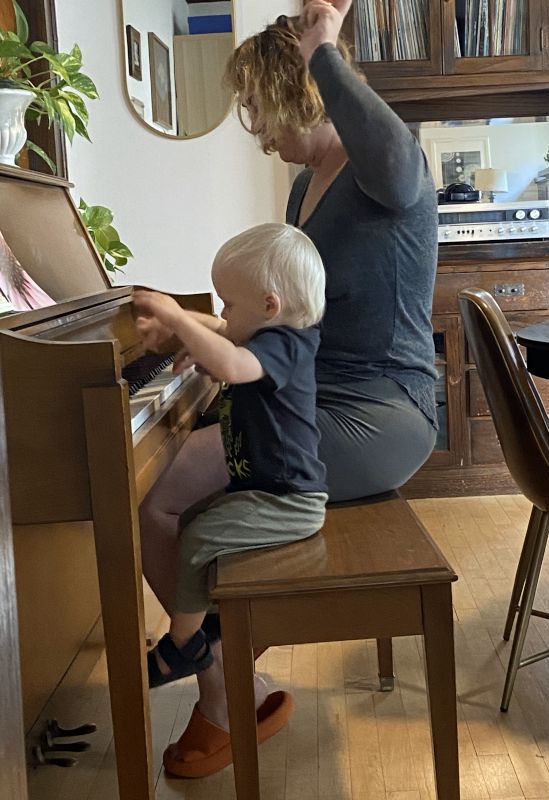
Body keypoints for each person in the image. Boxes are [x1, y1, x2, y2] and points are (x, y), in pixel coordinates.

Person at [137, 0, 438, 775]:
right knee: (171, 491)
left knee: (170, 493)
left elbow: (400, 159)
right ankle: (235, 680)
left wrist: (324, 53)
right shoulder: (306, 187)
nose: (256, 128)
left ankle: (220, 695)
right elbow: (287, 327)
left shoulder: (382, 167)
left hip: (382, 410)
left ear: (295, 88)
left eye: (256, 107)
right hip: (313, 397)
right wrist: (192, 339)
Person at [133, 221, 328, 776]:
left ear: (270, 304)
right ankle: (211, 645)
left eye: (230, 300)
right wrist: (189, 326)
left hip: (287, 498)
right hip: (264, 487)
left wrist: (178, 320)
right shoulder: (270, 326)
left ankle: (187, 641)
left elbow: (234, 363)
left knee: (198, 535)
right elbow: (223, 331)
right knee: (193, 522)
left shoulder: (286, 343)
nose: (223, 310)